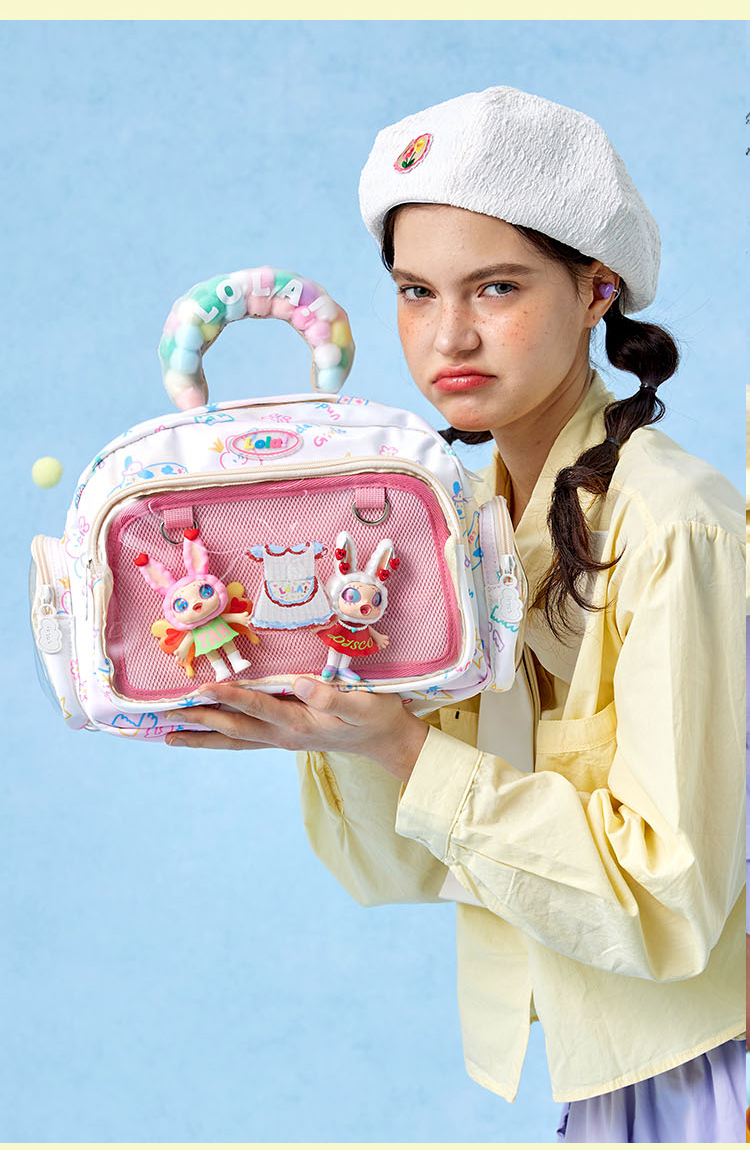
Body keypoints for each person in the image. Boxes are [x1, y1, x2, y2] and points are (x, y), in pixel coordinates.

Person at [162, 88, 745, 1142]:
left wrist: (404, 748)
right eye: (416, 292)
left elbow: (671, 901)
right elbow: (403, 867)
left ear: (597, 289)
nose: (449, 335)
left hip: (718, 1064)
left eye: (498, 287)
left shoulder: (673, 521)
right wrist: (337, 731)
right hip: (612, 1081)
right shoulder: (453, 529)